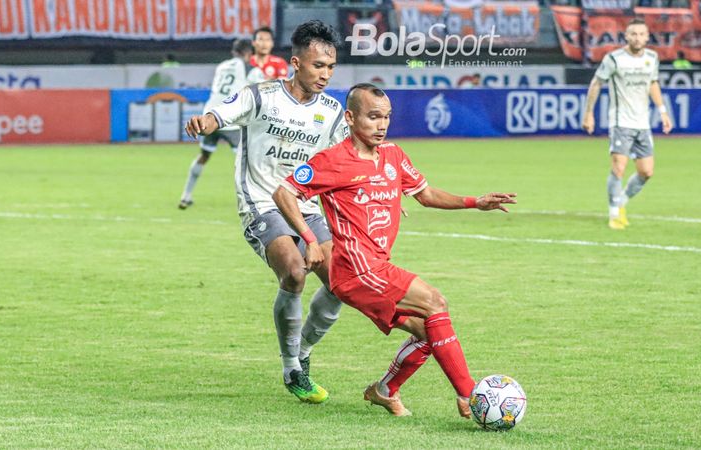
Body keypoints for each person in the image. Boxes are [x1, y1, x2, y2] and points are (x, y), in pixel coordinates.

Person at [272, 83, 517, 418]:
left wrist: (475, 202)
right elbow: (284, 193)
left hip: (376, 267)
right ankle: (470, 396)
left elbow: (426, 194)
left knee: (428, 331)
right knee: (435, 302)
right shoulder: (332, 160)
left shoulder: (394, 156)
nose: (382, 124)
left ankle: (385, 390)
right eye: (373, 117)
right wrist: (310, 240)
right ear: (350, 117)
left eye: (386, 117)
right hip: (356, 270)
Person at [183, 20, 349, 404]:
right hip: (261, 201)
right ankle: (291, 365)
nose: (324, 74)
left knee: (342, 283)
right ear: (295, 63)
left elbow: (350, 161)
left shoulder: (332, 112)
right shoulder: (261, 96)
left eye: (330, 67)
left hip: (305, 206)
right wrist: (203, 122)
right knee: (294, 270)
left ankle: (303, 350)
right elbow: (218, 116)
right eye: (317, 66)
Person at [581, 17, 673, 230]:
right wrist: (589, 114)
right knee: (619, 167)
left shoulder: (652, 58)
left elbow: (653, 83)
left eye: (641, 34)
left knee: (646, 172)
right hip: (620, 121)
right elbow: (596, 83)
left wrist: (663, 111)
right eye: (633, 34)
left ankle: (621, 200)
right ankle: (614, 213)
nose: (637, 37)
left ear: (647, 37)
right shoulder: (614, 59)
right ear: (626, 36)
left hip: (643, 123)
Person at [179, 39, 265, 209]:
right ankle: (252, 202)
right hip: (230, 119)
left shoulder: (221, 66)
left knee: (204, 156)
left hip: (209, 117)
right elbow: (260, 93)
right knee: (246, 163)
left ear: (234, 52)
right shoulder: (252, 70)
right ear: (248, 54)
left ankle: (185, 195)